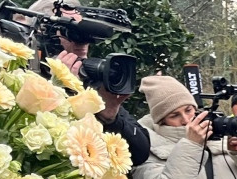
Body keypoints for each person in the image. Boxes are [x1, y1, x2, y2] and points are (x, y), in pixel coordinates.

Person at [25, 0, 150, 167]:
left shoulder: (91, 81)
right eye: (72, 31)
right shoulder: (23, 76)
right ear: (42, 33)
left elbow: (140, 153)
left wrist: (110, 117)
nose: (83, 41)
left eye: (86, 29)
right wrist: (61, 90)